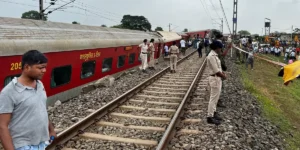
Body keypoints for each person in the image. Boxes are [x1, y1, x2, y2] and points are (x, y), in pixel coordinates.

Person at [0, 50, 56, 150]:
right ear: (27, 67)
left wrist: (51, 130)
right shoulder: (9, 92)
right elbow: (2, 125)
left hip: (42, 142)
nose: (44, 70)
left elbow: (41, 110)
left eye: (45, 67)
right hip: (23, 145)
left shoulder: (39, 85)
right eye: (40, 67)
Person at [206, 40, 227, 125]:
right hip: (215, 78)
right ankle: (210, 117)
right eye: (220, 48)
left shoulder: (215, 55)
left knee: (216, 98)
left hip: (217, 79)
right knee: (213, 98)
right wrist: (223, 76)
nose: (220, 49)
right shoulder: (211, 56)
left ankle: (213, 113)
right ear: (217, 48)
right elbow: (216, 70)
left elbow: (218, 68)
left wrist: (222, 74)